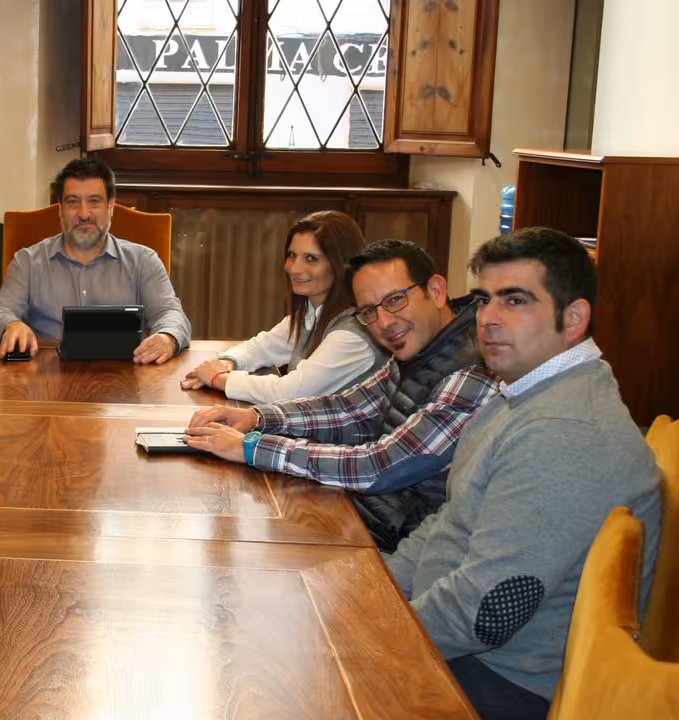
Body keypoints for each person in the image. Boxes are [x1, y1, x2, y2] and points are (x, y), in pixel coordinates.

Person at [386, 227, 661, 719]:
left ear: (573, 318)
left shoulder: (564, 431)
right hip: (457, 649)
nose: (488, 318)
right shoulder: (524, 394)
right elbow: (450, 523)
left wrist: (373, 634)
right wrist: (374, 594)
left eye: (515, 300)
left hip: (501, 682)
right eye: (485, 299)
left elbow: (487, 612)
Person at [184, 239, 498, 551]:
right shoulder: (420, 348)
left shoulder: (472, 371)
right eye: (369, 310)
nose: (384, 322)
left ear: (436, 291)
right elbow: (350, 409)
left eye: (395, 300)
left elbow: (379, 466)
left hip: (403, 549)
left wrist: (253, 447)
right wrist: (257, 417)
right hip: (366, 518)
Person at [0, 157, 191, 363]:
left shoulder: (144, 261)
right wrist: (11, 325)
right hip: (46, 374)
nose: (84, 214)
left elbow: (171, 314)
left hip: (125, 375)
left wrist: (167, 338)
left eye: (94, 202)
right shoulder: (27, 261)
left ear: (111, 206)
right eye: (73, 202)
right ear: (60, 208)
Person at [181, 210, 385, 402]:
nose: (294, 268)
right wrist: (227, 362)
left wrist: (218, 378)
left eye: (311, 259)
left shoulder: (354, 333)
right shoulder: (313, 311)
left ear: (342, 264)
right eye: (292, 255)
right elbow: (261, 347)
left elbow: (293, 392)